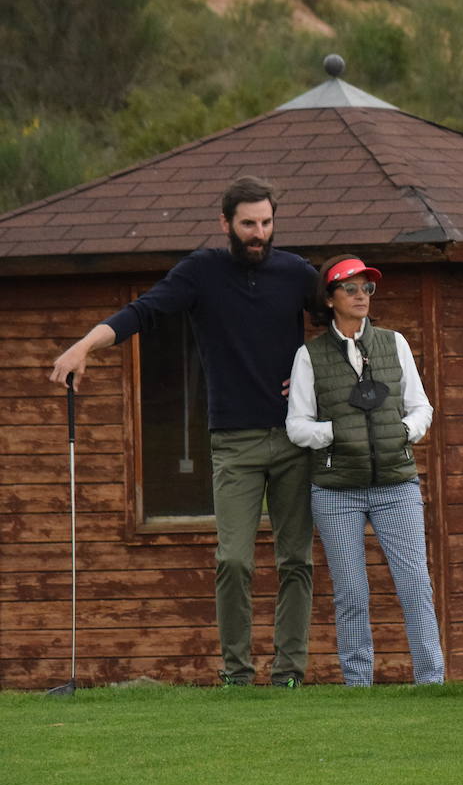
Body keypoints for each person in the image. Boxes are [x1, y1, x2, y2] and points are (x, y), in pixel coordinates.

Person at [49, 176, 316, 688]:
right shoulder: (202, 272)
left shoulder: (297, 273)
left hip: (293, 438)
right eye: (248, 224)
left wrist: (313, 378)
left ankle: (289, 675)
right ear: (226, 224)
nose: (259, 233)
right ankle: (238, 675)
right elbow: (143, 311)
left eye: (266, 222)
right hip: (233, 442)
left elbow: (342, 325)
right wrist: (85, 345)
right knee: (234, 559)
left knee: (296, 559)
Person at [285, 254, 445, 686]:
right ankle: (359, 686)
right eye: (351, 288)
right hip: (336, 491)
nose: (362, 296)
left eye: (367, 288)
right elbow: (297, 427)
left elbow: (422, 407)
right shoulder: (310, 356)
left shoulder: (395, 343)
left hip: (397, 485)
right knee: (351, 594)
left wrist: (404, 431)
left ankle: (432, 681)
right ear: (331, 297)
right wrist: (338, 432)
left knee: (415, 585)